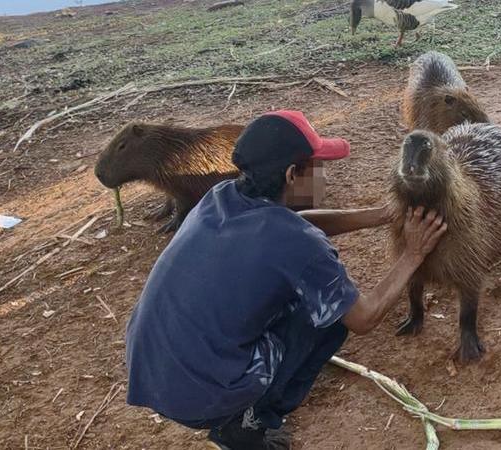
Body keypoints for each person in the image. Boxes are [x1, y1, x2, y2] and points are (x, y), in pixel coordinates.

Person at [124, 110, 447, 449]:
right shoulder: (298, 244)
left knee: (306, 299)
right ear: (293, 175)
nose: (326, 177)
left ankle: (237, 408)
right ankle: (248, 424)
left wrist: (378, 215)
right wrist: (413, 254)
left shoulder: (220, 197)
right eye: (319, 168)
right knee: (330, 316)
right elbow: (364, 317)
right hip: (203, 396)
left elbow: (298, 222)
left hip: (153, 371)